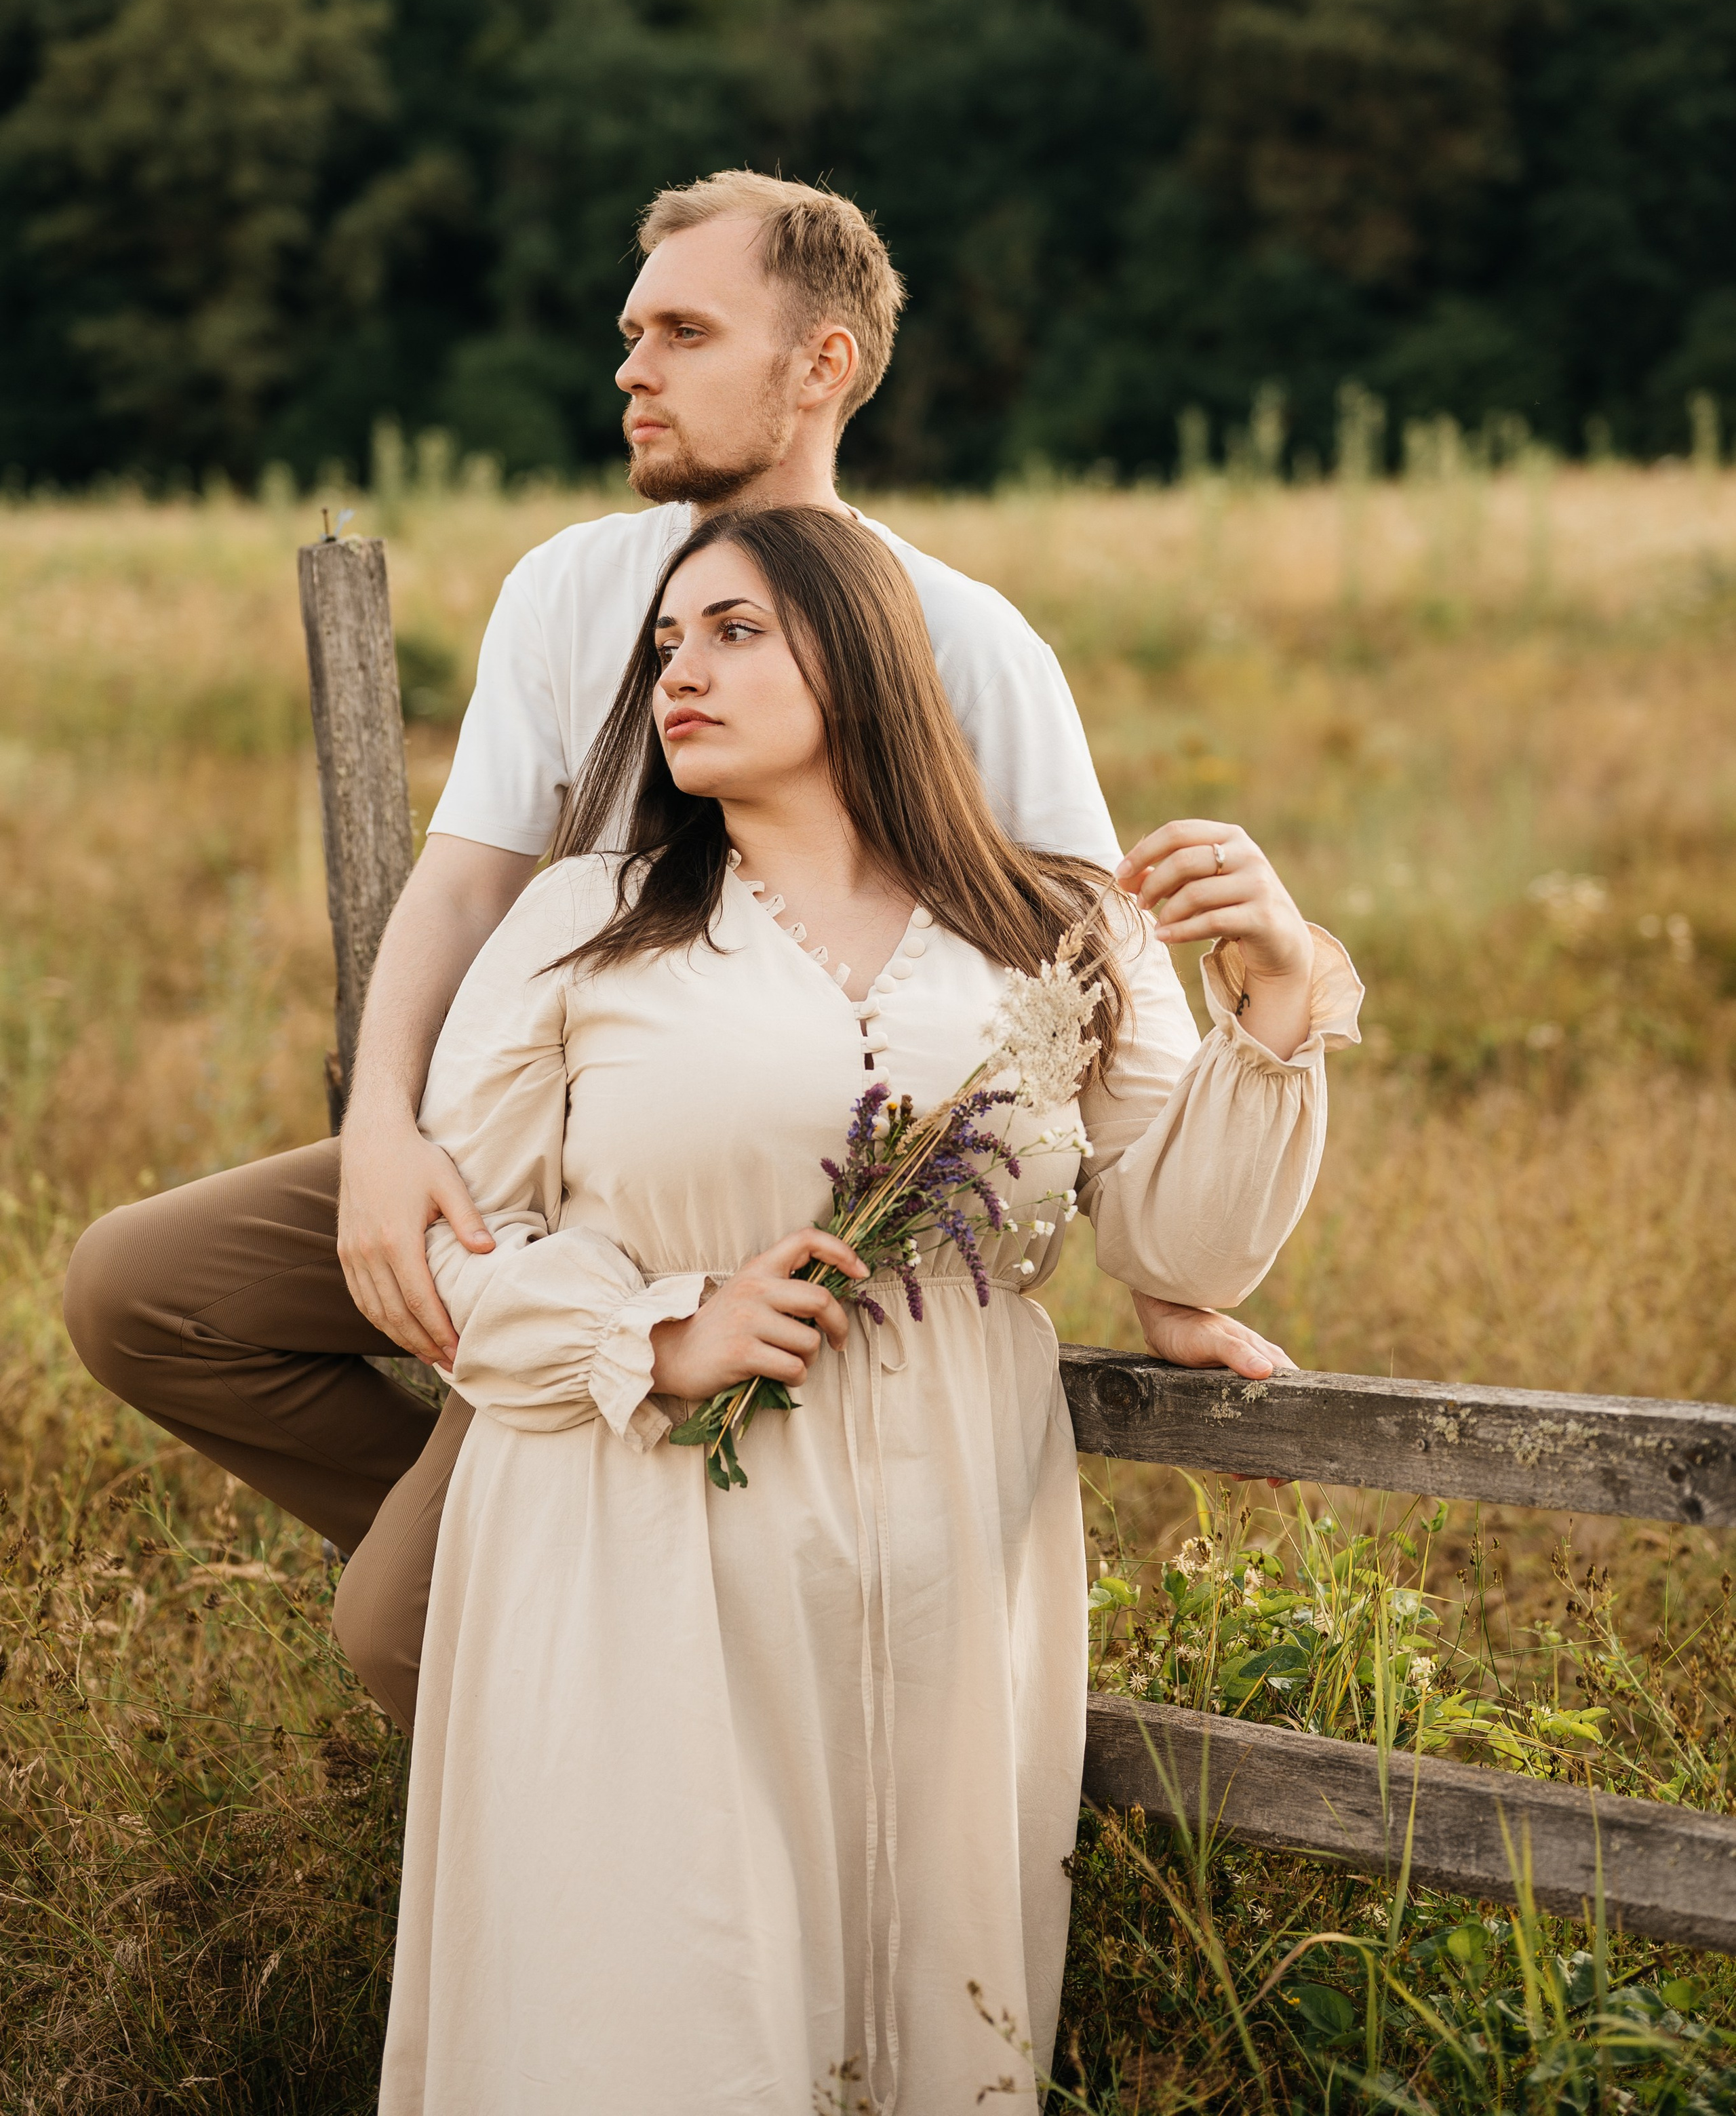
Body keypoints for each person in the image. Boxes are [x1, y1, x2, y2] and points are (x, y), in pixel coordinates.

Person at [62, 169, 1301, 1735]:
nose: (631, 368)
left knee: (399, 1626)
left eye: (683, 332)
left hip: (747, 1179)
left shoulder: (962, 637)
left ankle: (570, 1566)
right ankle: (587, 1533)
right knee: (141, 1290)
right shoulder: (569, 586)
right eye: (631, 331)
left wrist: (1165, 1271)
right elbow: (453, 893)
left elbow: (1085, 980)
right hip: (525, 1150)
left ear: (821, 366)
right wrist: (382, 1134)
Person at [373, 503, 1360, 2113]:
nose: (678, 669)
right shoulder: (585, 924)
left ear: (866, 654)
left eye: (734, 632)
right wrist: (654, 1334)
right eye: (665, 643)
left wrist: (1267, 985)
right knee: (666, 2011)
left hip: (952, 1556)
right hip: (642, 1538)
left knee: (923, 2009)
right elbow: (448, 1254)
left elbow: (1187, 1240)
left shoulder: (1062, 930)